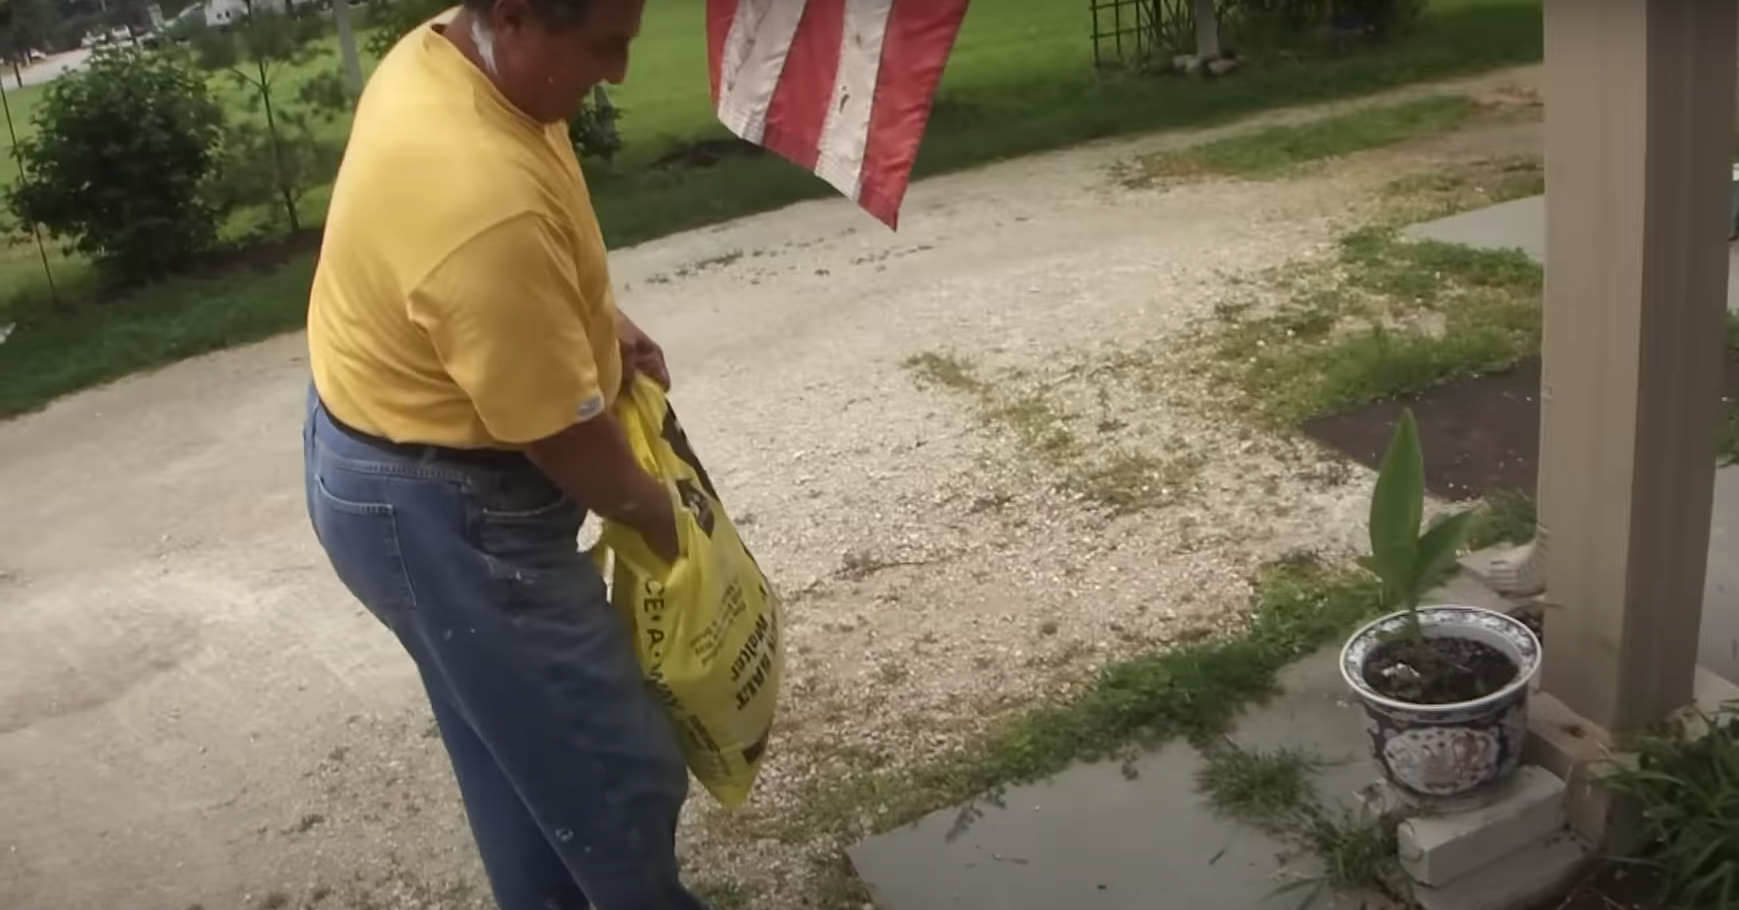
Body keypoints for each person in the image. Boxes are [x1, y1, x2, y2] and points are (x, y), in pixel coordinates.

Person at [300, 0, 712, 907]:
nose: (620, 72)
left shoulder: (451, 52)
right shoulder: (474, 191)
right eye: (604, 47)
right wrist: (654, 510)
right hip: (445, 512)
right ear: (518, 17)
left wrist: (598, 324)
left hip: (387, 463)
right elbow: (559, 430)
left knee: (524, 757)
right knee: (617, 772)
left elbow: (505, 280)